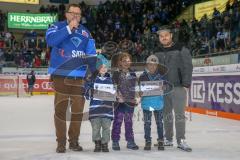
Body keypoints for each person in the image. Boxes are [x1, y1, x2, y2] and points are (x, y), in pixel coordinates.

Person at [45, 4, 96, 153]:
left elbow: (92, 56)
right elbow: (51, 41)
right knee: (60, 111)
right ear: (66, 14)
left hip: (79, 78)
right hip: (61, 75)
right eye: (72, 13)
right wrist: (69, 28)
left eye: (78, 14)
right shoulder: (56, 26)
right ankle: (61, 143)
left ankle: (74, 141)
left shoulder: (86, 32)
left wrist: (92, 75)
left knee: (77, 112)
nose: (75, 16)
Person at [154, 25, 193, 152]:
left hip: (178, 86)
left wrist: (186, 83)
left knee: (179, 114)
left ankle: (181, 140)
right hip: (163, 87)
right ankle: (168, 139)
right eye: (161, 36)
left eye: (166, 35)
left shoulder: (181, 48)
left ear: (171, 35)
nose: (164, 37)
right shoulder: (157, 51)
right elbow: (153, 69)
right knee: (166, 114)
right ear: (159, 38)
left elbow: (188, 65)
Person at [85, 54, 114, 152]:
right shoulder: (92, 79)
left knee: (106, 127)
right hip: (95, 109)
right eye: (101, 67)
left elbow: (115, 93)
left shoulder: (111, 79)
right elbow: (86, 93)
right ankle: (97, 143)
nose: (103, 68)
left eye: (105, 67)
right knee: (96, 128)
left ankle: (104, 143)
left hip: (107, 109)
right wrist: (90, 92)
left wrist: (115, 93)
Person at [111, 52, 139, 150]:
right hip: (119, 102)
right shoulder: (116, 73)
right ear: (120, 62)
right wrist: (118, 96)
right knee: (118, 121)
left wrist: (136, 97)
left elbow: (134, 87)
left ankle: (130, 141)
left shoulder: (132, 73)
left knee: (129, 122)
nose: (127, 63)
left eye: (128, 61)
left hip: (130, 102)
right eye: (124, 61)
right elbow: (114, 87)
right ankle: (115, 141)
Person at [139, 55, 164, 151]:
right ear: (147, 65)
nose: (152, 66)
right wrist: (140, 93)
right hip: (147, 103)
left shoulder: (161, 76)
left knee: (159, 123)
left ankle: (161, 140)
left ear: (157, 65)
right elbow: (140, 90)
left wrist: (163, 88)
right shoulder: (142, 76)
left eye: (154, 64)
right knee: (147, 123)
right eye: (150, 64)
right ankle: (148, 141)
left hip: (158, 104)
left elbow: (165, 87)